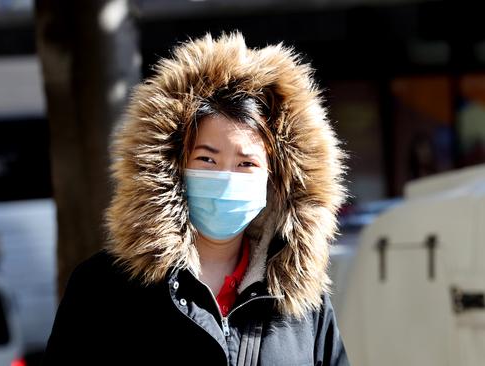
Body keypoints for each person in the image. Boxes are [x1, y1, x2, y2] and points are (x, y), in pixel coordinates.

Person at [44, 32, 349, 365]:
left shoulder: (303, 302)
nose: (226, 177)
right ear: (174, 166)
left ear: (274, 179)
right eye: (207, 159)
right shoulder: (103, 287)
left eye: (246, 163)